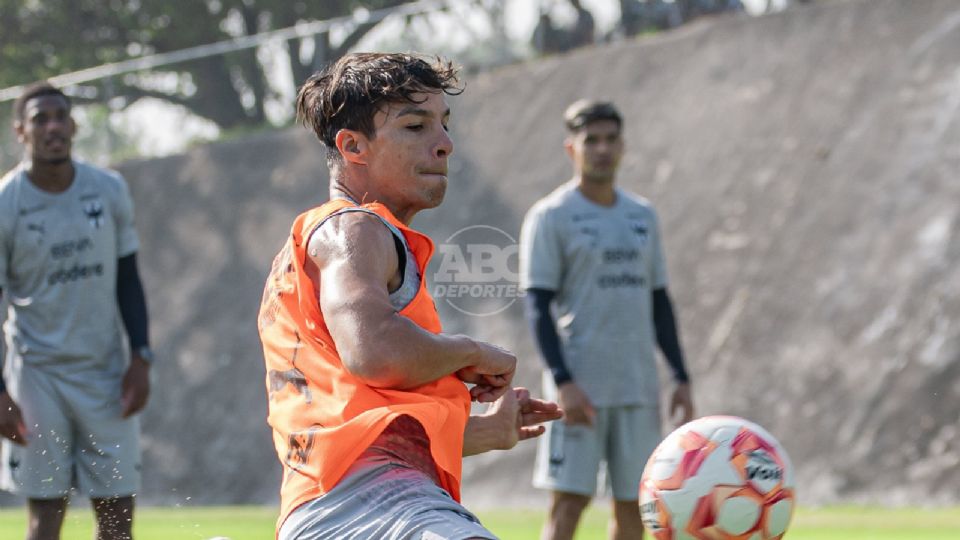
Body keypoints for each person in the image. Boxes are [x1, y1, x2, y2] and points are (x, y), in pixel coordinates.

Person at [257, 52, 563, 540]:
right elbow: (373, 351)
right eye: (416, 127)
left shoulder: (315, 248)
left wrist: (489, 431)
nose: (445, 145)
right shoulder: (355, 229)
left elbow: (361, 424)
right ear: (353, 145)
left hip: (325, 512)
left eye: (444, 124)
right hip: (378, 507)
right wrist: (471, 351)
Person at [519, 100, 695, 540]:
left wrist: (680, 375)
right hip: (581, 387)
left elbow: (659, 300)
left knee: (637, 503)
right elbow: (537, 306)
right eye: (591, 140)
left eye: (610, 140)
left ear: (623, 146)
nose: (602, 149)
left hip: (636, 386)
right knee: (569, 503)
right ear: (571, 149)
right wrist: (563, 381)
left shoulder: (642, 215)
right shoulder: (550, 216)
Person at [0, 82, 153, 540]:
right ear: (21, 132)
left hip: (105, 373)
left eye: (59, 117)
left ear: (73, 125)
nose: (52, 127)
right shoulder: (6, 203)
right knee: (45, 517)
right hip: (36, 375)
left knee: (117, 519)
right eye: (40, 119)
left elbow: (128, 279)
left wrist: (142, 356)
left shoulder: (108, 189)